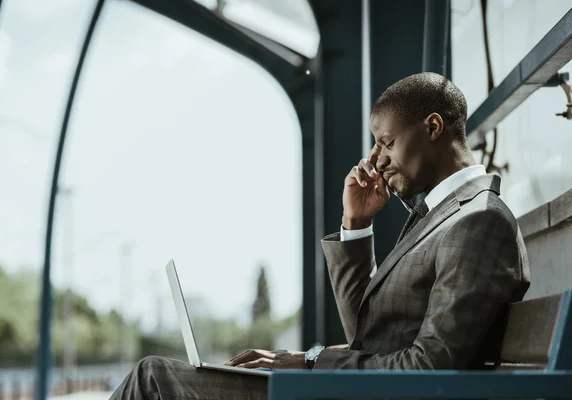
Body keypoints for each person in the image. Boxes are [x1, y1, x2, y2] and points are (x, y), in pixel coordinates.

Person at [110, 72, 530, 399]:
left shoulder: (478, 221)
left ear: (433, 127)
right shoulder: (441, 215)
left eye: (386, 142)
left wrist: (310, 362)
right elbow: (369, 336)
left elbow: (428, 369)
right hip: (349, 392)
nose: (377, 161)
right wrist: (356, 224)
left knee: (155, 380)